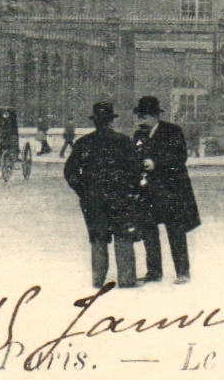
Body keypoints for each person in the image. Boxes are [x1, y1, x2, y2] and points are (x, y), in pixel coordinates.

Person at [63, 101, 149, 289]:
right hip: (120, 198)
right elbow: (136, 169)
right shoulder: (123, 141)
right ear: (111, 121)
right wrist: (131, 190)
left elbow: (70, 172)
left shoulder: (83, 143)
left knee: (98, 238)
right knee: (123, 237)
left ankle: (98, 279)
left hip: (93, 199)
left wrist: (84, 191)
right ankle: (126, 279)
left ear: (95, 122)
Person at [131, 96, 201, 285]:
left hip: (171, 191)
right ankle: (154, 272)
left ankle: (182, 272)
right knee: (149, 232)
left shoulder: (172, 131)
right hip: (148, 192)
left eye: (144, 117)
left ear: (155, 116)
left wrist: (156, 163)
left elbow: (179, 157)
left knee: (176, 231)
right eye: (139, 117)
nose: (141, 121)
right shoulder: (139, 135)